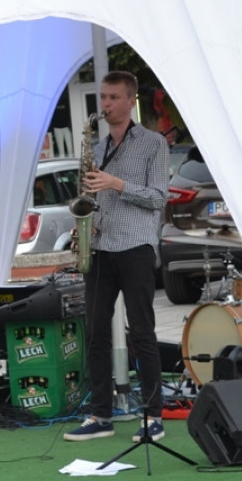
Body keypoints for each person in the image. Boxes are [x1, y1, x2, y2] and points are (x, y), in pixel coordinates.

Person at [65, 71, 169, 443]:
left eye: (112, 98)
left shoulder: (153, 143)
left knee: (142, 331)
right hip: (101, 244)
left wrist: (115, 184)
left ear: (130, 101)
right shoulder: (99, 144)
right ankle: (100, 415)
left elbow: (159, 197)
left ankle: (153, 416)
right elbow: (90, 195)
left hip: (137, 245)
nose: (105, 105)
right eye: (102, 98)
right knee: (94, 332)